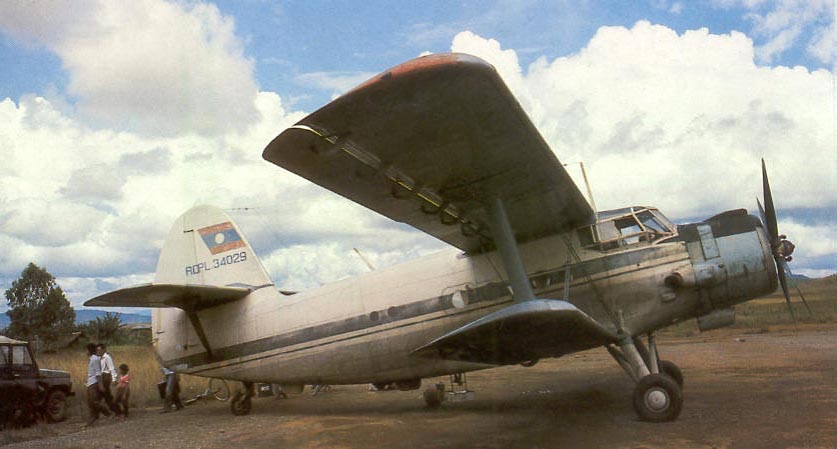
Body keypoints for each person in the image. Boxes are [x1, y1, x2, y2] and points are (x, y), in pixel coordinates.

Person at [84, 343, 111, 427]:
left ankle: (108, 413)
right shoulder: (92, 359)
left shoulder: (95, 359)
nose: (85, 352)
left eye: (86, 350)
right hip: (90, 382)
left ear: (89, 350)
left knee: (94, 402)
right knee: (91, 403)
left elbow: (98, 373)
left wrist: (100, 385)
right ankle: (91, 421)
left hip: (94, 383)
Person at [96, 343, 119, 414]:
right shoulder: (99, 358)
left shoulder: (107, 357)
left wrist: (114, 379)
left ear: (103, 349)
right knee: (106, 396)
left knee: (106, 396)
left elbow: (112, 368)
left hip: (106, 377)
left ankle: (116, 411)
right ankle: (115, 411)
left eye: (99, 350)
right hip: (102, 377)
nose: (98, 352)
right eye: (97, 350)